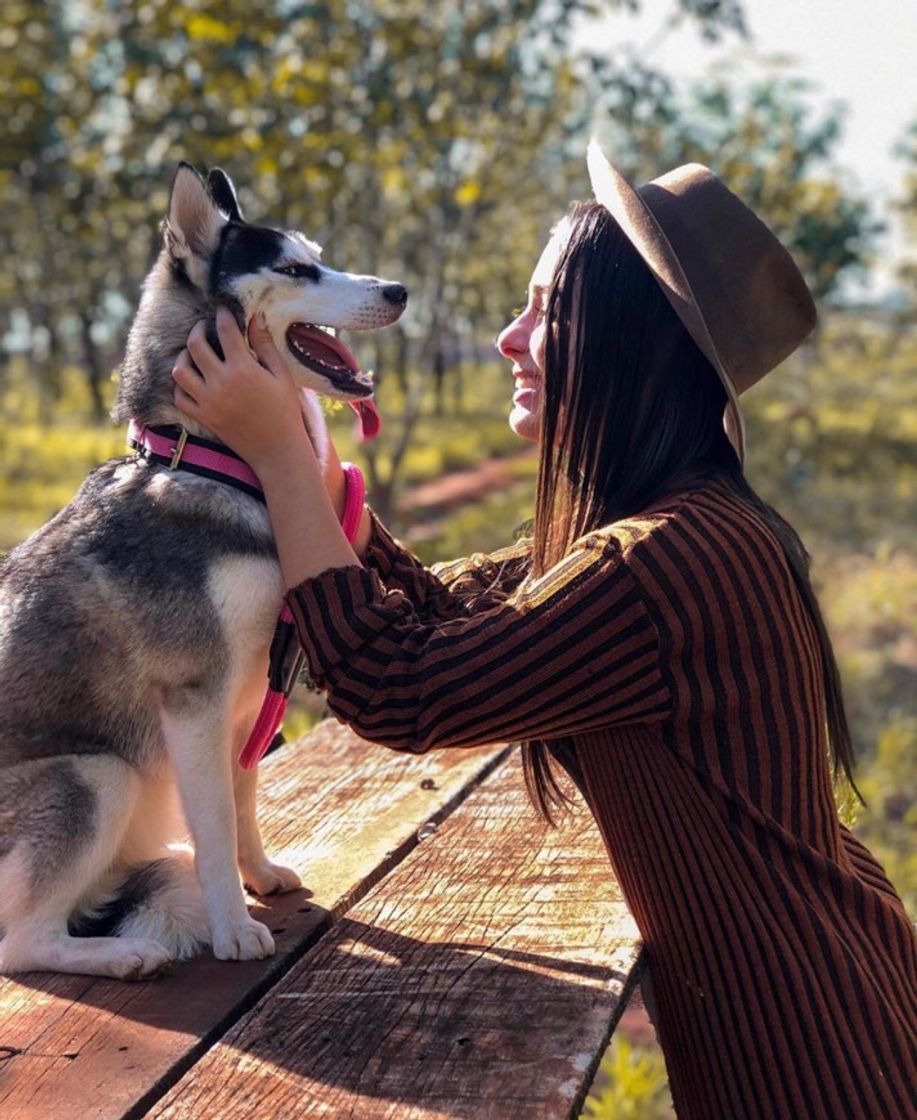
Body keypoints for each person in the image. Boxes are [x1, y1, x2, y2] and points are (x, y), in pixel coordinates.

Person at [171, 142, 917, 1119]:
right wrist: (315, 475)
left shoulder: (659, 562)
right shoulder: (661, 527)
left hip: (807, 1053)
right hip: (813, 992)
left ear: (630, 342)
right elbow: (443, 619)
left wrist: (274, 454)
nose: (506, 338)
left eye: (546, 310)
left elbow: (399, 685)